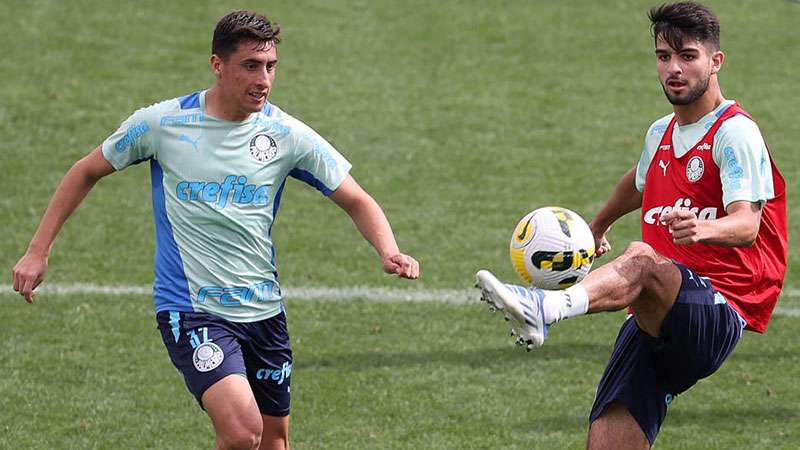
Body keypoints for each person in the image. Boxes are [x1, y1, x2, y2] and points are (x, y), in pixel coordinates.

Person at [11, 10, 419, 450]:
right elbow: (85, 170)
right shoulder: (163, 124)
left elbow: (356, 198)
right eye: (250, 66)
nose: (263, 79)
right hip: (191, 309)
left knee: (274, 442)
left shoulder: (286, 135)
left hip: (264, 311)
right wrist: (38, 250)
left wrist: (388, 249)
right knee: (243, 432)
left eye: (271, 67)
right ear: (217, 65)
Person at [474, 2, 787, 448]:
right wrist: (595, 227)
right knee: (607, 436)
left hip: (720, 308)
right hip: (656, 315)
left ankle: (544, 308)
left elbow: (746, 224)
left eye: (688, 56)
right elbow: (639, 182)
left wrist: (703, 229)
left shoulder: (734, 132)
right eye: (664, 57)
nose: (674, 69)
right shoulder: (661, 132)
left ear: (716, 61)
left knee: (641, 257)